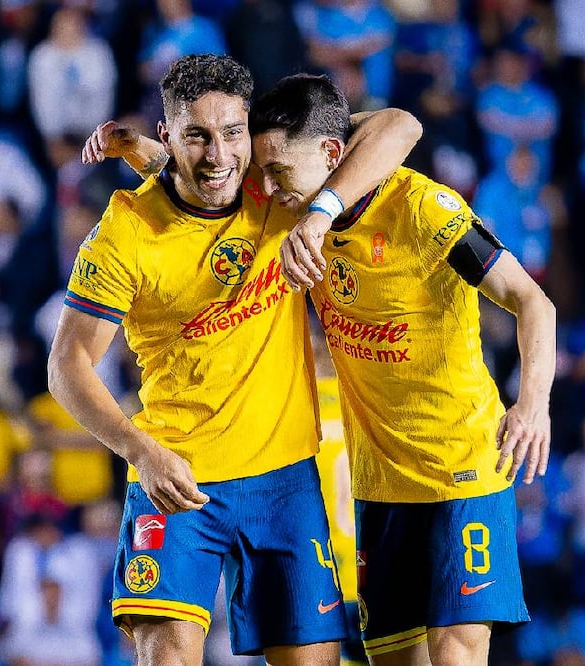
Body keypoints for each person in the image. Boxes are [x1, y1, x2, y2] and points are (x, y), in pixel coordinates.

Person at [52, 54, 420, 665]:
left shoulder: (273, 182)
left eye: (231, 133)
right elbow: (66, 368)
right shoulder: (126, 234)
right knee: (168, 653)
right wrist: (140, 449)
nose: (219, 155)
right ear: (170, 136)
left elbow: (401, 126)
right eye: (197, 135)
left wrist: (322, 214)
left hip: (283, 477)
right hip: (176, 473)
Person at [247, 74, 556, 664]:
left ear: (332, 155)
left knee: (458, 653)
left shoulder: (423, 209)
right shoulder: (291, 207)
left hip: (461, 466)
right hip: (380, 482)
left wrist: (533, 402)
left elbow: (531, 300)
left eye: (279, 172)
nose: (267, 188)